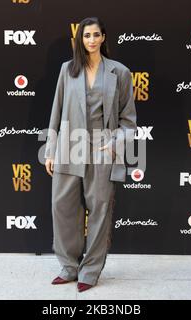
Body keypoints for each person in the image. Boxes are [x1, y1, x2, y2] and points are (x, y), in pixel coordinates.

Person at [44, 17, 137, 292]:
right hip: (69, 147)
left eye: (97, 35)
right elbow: (56, 111)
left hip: (101, 149)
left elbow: (129, 121)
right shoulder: (67, 70)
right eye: (87, 36)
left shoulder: (120, 72)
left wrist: (114, 144)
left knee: (99, 210)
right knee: (63, 209)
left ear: (104, 37)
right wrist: (50, 149)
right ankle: (69, 266)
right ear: (80, 39)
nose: (92, 40)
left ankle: (91, 270)